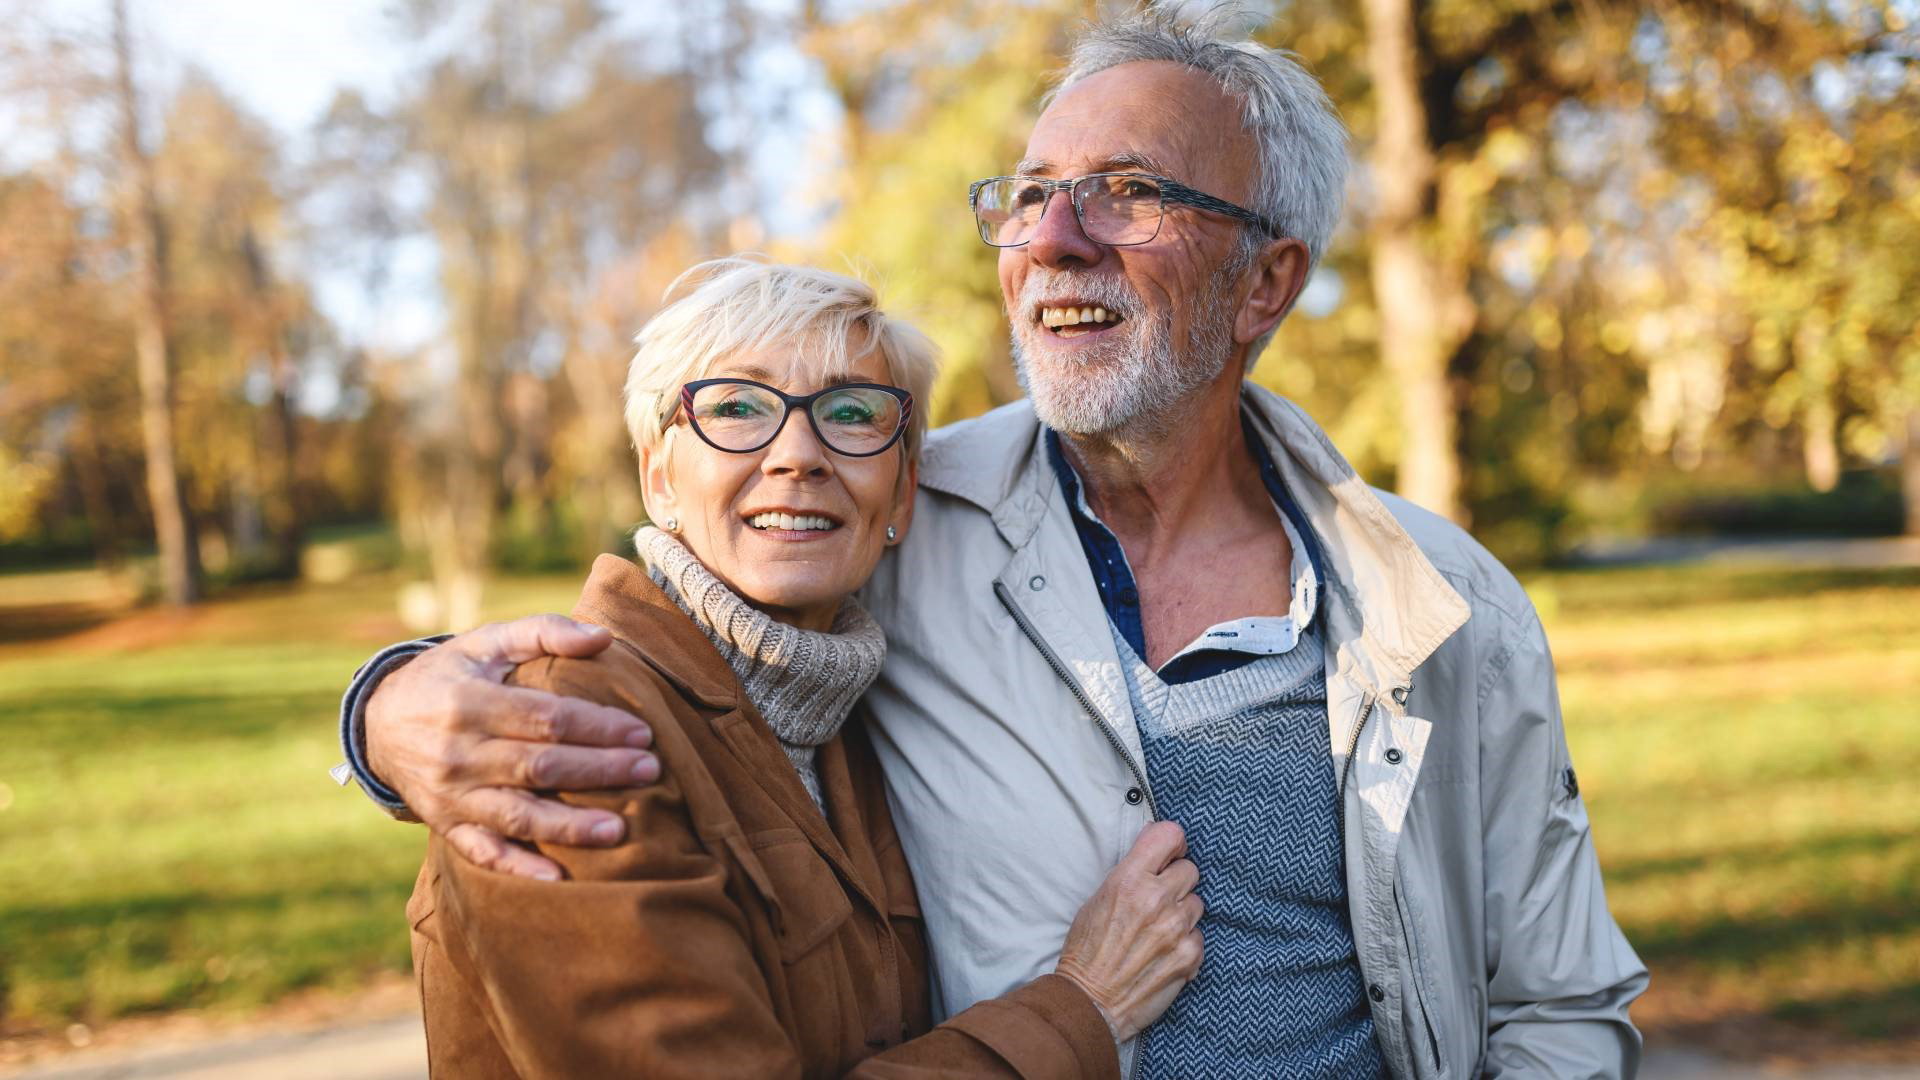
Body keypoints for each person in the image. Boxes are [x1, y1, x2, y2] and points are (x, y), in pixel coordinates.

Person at [339, 10, 1648, 1077]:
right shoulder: (889, 528)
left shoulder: (1440, 598)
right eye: (1029, 199)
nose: (1054, 240)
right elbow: (671, 642)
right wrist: (388, 708)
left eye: (1129, 196)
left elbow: (1558, 999)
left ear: (1268, 281)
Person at [404, 256, 1202, 1077]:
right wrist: (1082, 1005)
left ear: (900, 497)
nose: (798, 454)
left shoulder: (857, 723)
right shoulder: (567, 731)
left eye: (852, 413)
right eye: (738, 407)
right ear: (658, 478)